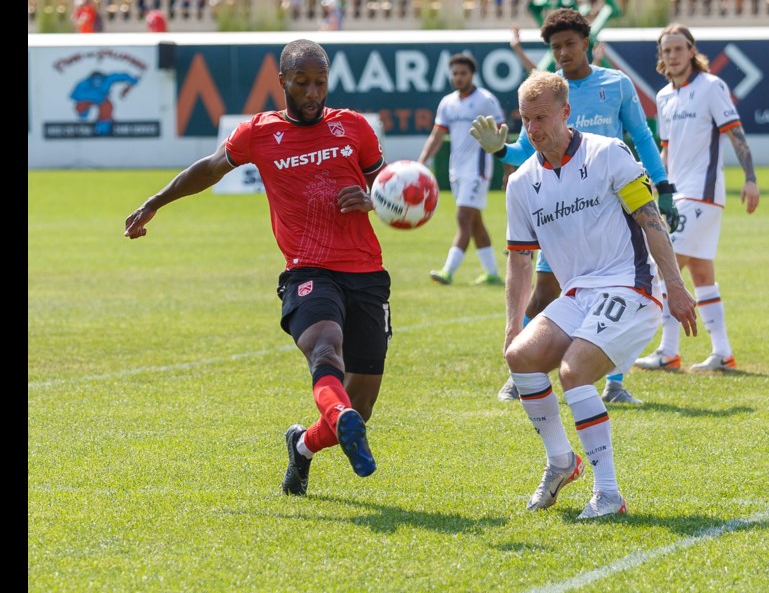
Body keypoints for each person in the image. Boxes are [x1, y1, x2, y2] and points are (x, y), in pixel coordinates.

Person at [123, 39, 386, 496]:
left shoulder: (354, 127)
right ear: (281, 81)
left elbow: (383, 182)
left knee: (360, 404)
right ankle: (339, 416)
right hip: (308, 270)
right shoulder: (259, 133)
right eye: (301, 83)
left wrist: (372, 198)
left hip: (365, 272)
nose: (312, 93)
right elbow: (208, 169)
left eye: (320, 83)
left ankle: (302, 446)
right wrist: (155, 202)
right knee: (325, 349)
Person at [502, 70, 698, 519]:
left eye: (542, 118)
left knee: (574, 372)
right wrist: (513, 325)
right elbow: (518, 258)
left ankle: (608, 494)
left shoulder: (608, 153)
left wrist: (676, 285)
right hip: (578, 293)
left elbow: (651, 220)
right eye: (525, 120)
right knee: (522, 357)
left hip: (632, 286)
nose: (532, 129)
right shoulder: (520, 183)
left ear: (566, 113)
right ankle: (560, 462)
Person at [472, 8, 680, 405]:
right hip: (562, 208)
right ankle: (523, 373)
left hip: (612, 206)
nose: (563, 52)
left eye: (569, 43)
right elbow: (528, 151)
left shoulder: (616, 84)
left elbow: (641, 135)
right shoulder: (546, 90)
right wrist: (500, 150)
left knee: (619, 289)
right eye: (555, 47)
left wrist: (664, 187)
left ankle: (614, 384)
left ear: (586, 42)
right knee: (544, 293)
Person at [634, 23, 759, 373]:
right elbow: (666, 147)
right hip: (676, 195)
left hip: (702, 195)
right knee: (702, 274)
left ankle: (668, 351)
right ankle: (723, 353)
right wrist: (657, 185)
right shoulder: (663, 97)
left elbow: (735, 133)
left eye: (678, 48)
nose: (672, 55)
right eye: (666, 50)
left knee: (666, 268)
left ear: (692, 51)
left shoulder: (711, 86)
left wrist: (750, 179)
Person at [419, 54, 506, 286]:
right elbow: (437, 136)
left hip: (477, 169)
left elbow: (500, 133)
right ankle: (492, 274)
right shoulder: (447, 103)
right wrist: (421, 162)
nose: (458, 77)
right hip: (456, 170)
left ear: (472, 75)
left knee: (463, 216)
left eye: (463, 73)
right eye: (455, 73)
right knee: (475, 222)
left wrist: (508, 169)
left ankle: (448, 271)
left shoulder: (485, 100)